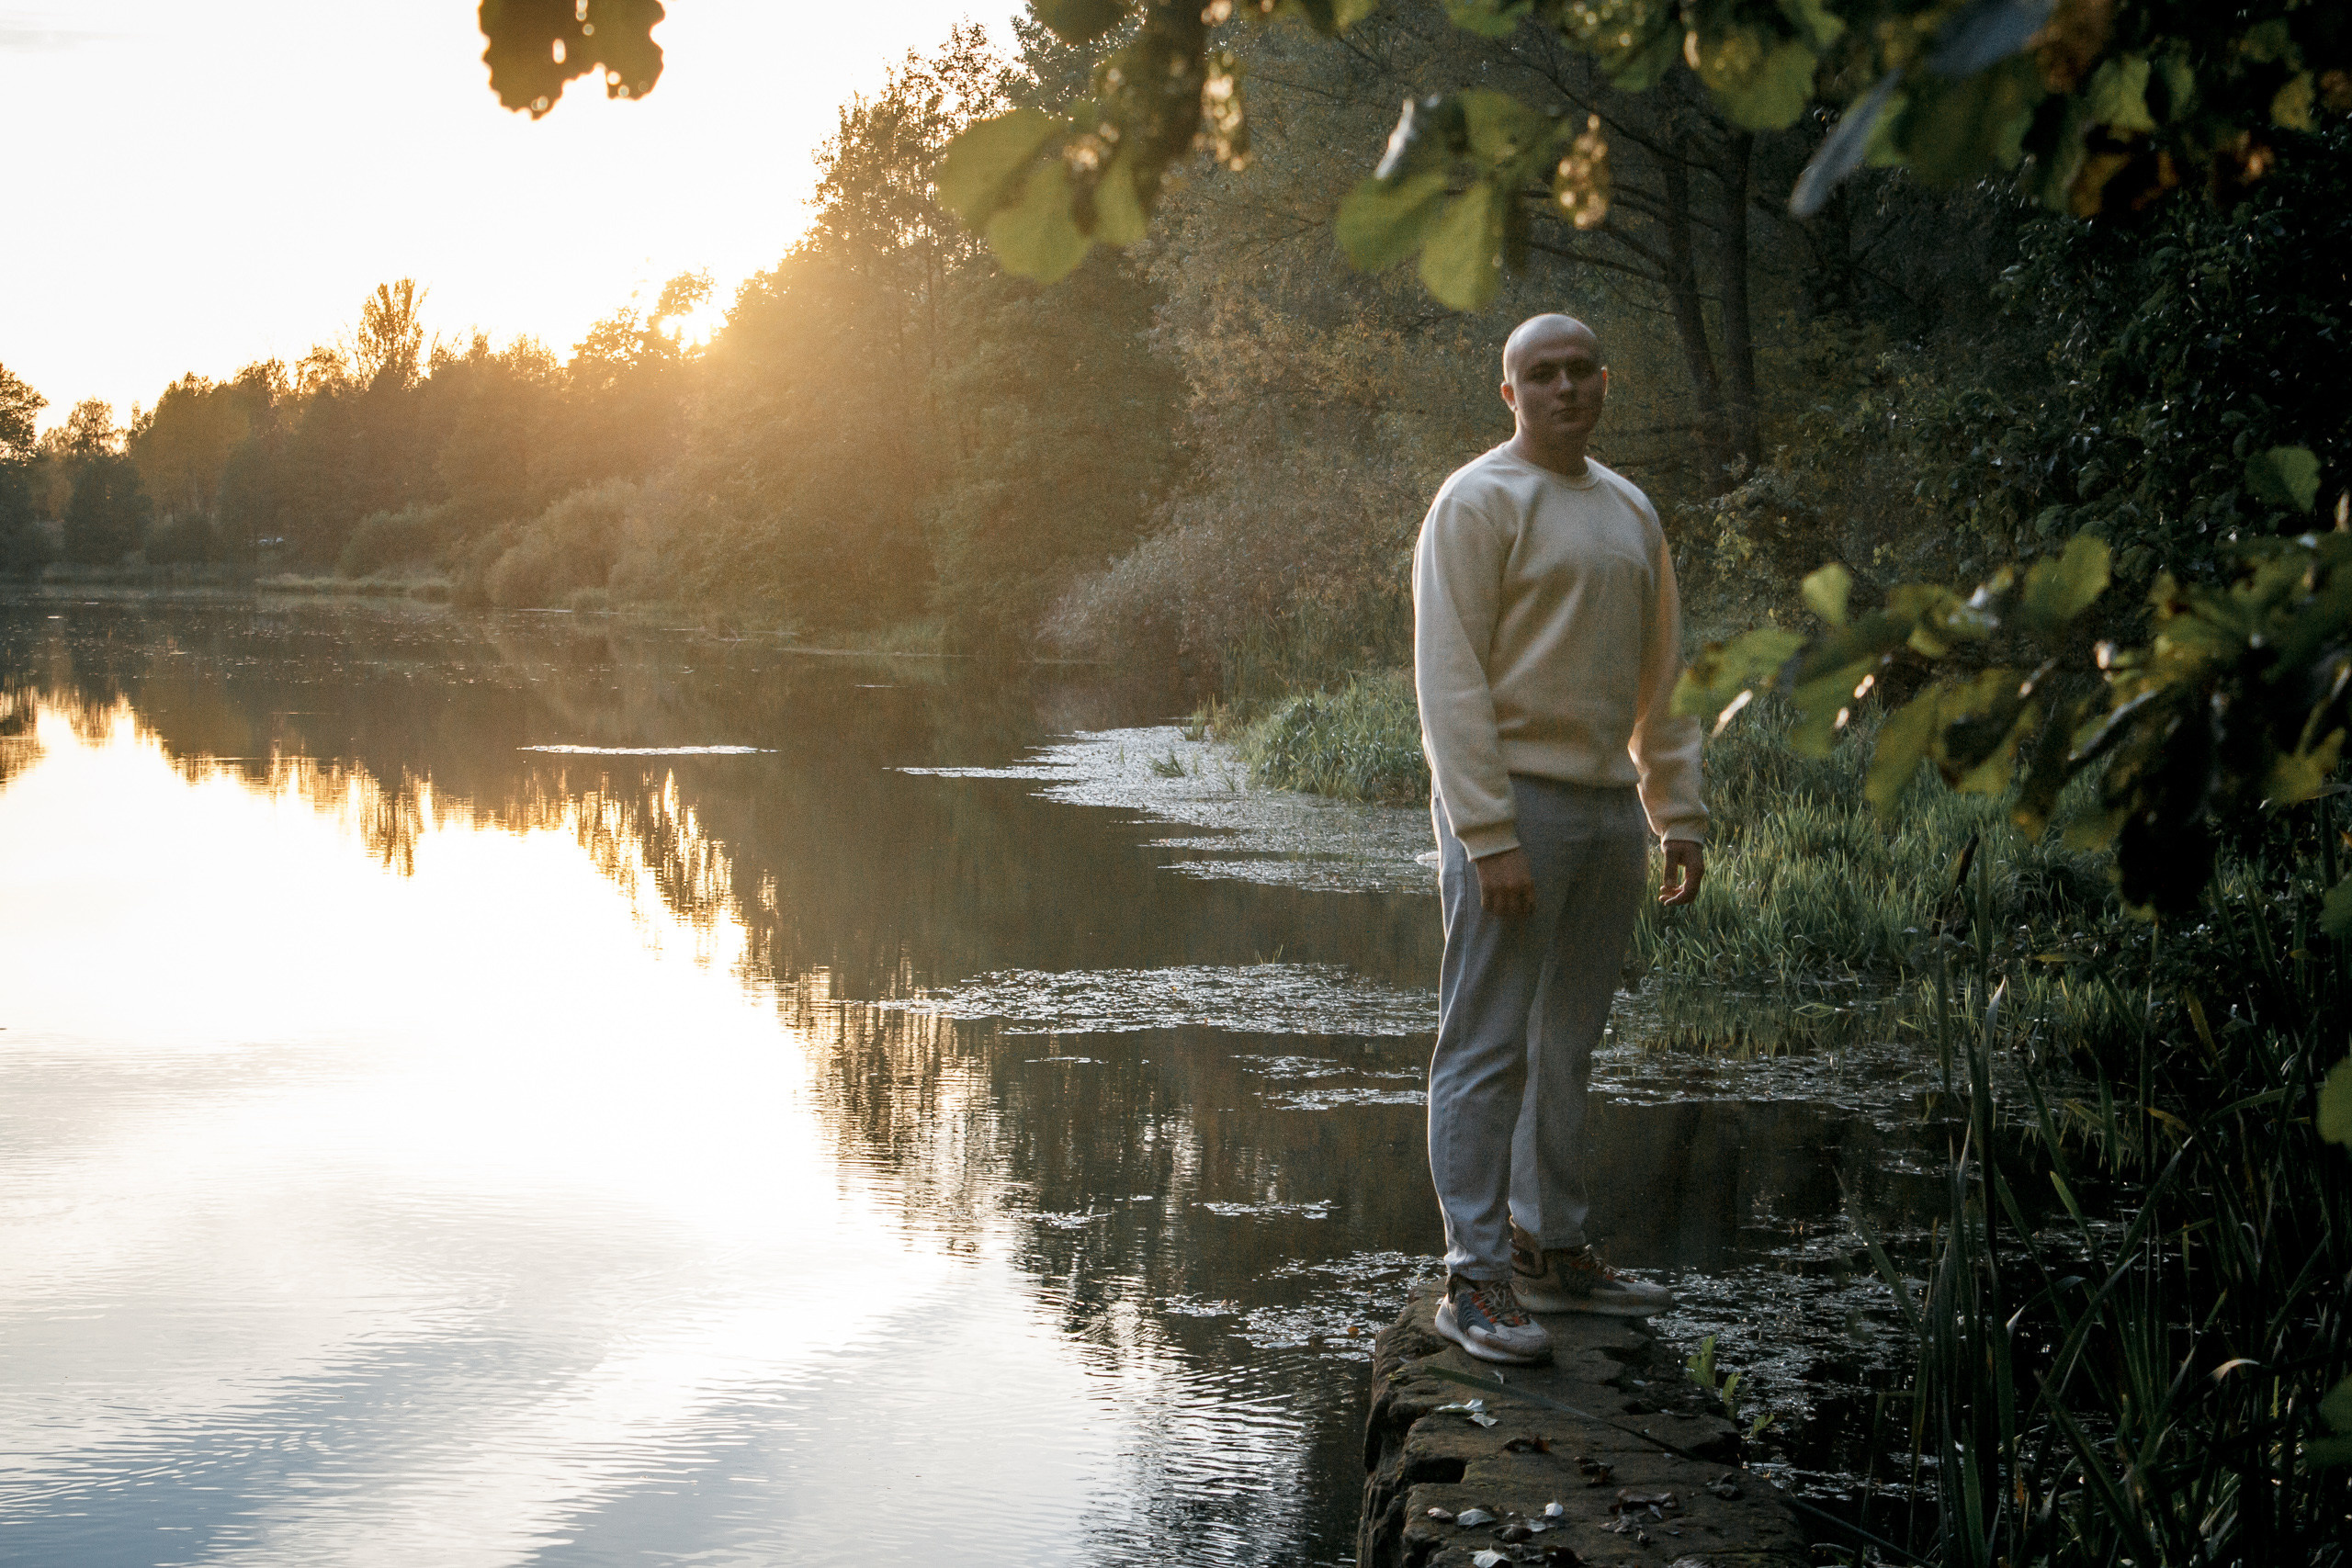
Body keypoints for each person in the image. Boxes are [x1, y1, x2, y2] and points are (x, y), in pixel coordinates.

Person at [1412, 312, 1707, 1364]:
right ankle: (1475, 1276)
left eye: (1583, 369)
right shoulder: (1477, 501)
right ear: (1510, 392)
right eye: (1544, 374)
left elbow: (1660, 675)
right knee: (1485, 1042)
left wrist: (1675, 808)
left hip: (1603, 809)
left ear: (1605, 381)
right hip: (1513, 806)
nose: (1566, 387)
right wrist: (1486, 832)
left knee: (1565, 1042)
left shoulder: (1629, 509)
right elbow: (1447, 682)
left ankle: (1551, 1246)